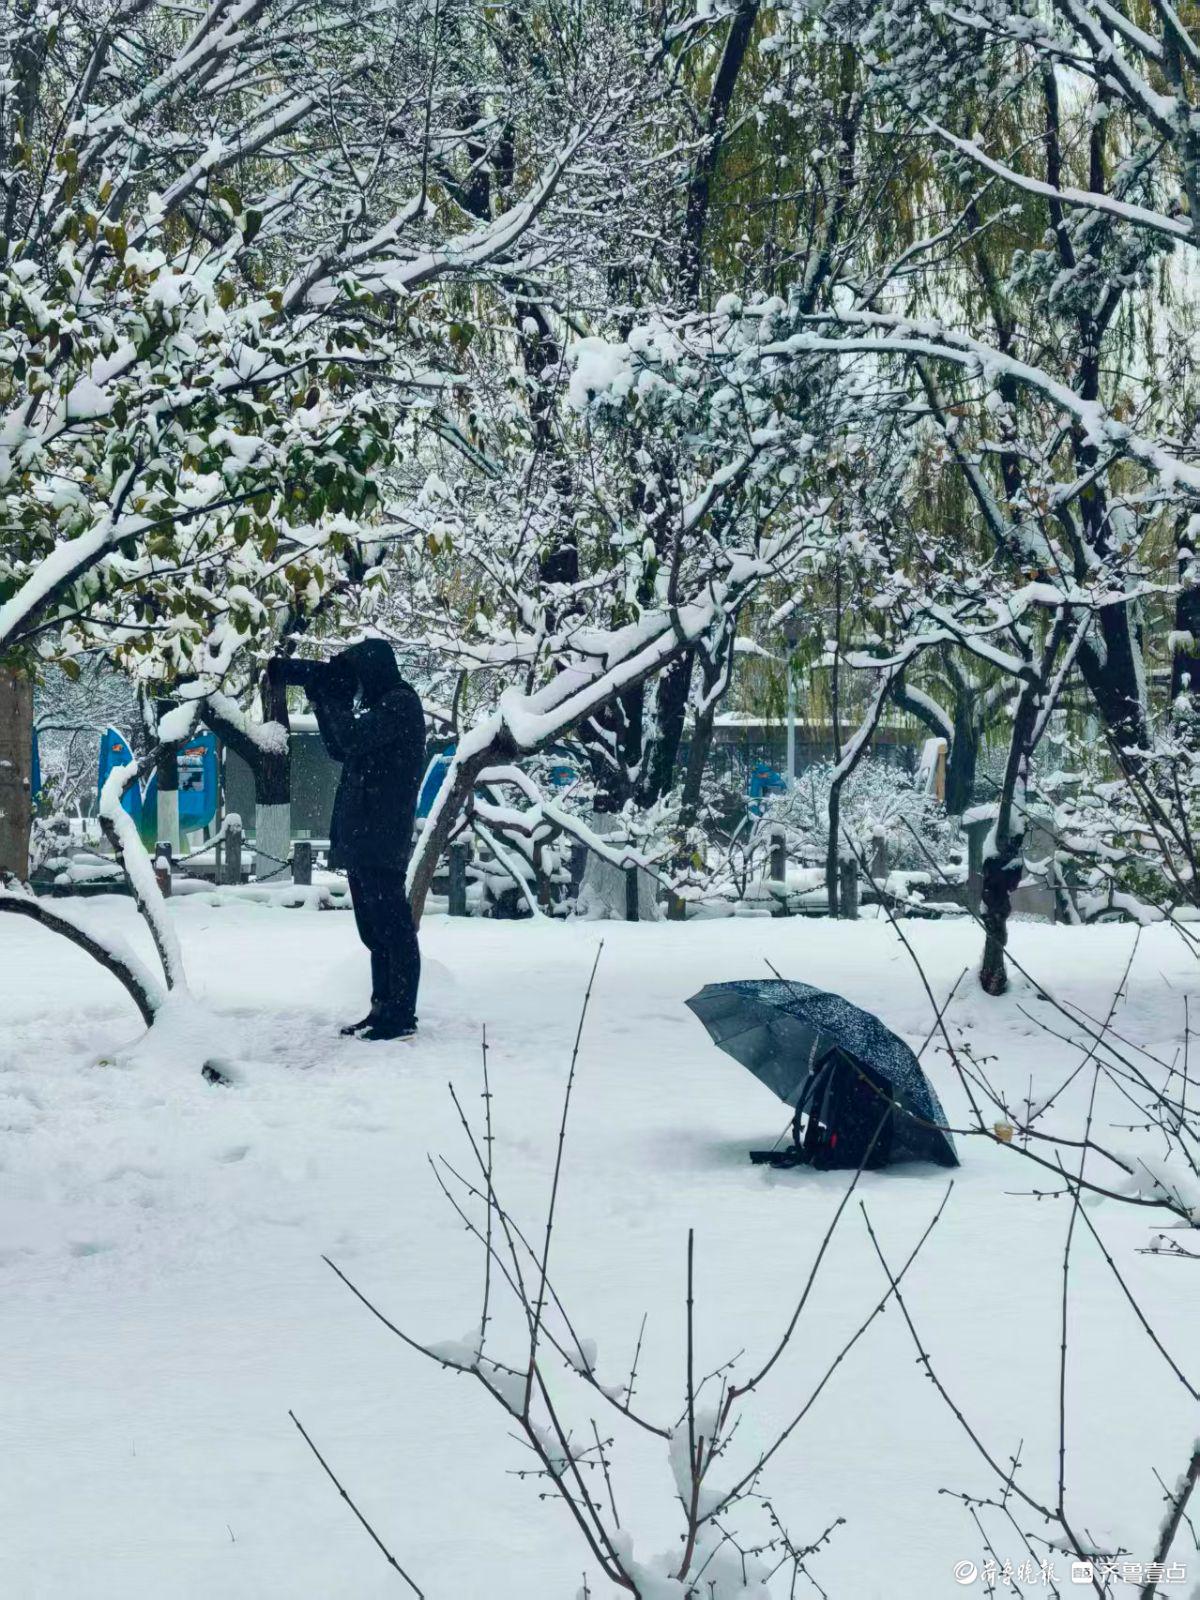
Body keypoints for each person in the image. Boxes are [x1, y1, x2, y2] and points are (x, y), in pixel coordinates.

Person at [271, 640, 426, 1040]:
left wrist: (332, 695)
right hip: (365, 835)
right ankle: (382, 1008)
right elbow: (339, 746)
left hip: (382, 836)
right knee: (373, 931)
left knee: (392, 928)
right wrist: (322, 697)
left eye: (355, 676)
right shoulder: (382, 708)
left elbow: (352, 738)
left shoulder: (401, 704)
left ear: (373, 670)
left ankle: (400, 1015)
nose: (353, 685)